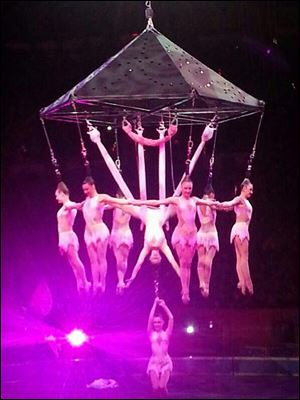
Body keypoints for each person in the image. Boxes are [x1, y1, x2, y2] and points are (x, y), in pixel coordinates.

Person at [125, 175, 216, 304]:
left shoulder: (195, 200)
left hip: (192, 235)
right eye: (185, 188)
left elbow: (212, 203)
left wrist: (227, 204)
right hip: (181, 235)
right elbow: (157, 203)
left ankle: (187, 290)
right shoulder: (176, 200)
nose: (187, 191)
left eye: (190, 188)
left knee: (188, 264)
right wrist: (139, 203)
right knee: (183, 263)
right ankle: (185, 291)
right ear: (182, 188)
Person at [98, 197, 181, 286]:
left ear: (149, 258)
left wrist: (132, 279)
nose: (155, 256)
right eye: (157, 258)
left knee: (123, 206)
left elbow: (139, 263)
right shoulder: (163, 246)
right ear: (161, 257)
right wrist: (182, 277)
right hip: (161, 215)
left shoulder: (147, 247)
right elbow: (173, 263)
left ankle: (103, 201)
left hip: (145, 215)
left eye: (153, 258)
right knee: (180, 206)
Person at [67, 176, 110, 295]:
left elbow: (115, 202)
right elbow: (77, 206)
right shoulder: (86, 201)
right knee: (93, 261)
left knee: (101, 259)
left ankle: (103, 282)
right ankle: (96, 284)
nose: (85, 192)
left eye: (87, 189)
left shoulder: (100, 198)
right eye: (84, 190)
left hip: (100, 231)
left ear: (93, 186)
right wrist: (68, 205)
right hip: (89, 234)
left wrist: (131, 202)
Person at [218, 178, 254, 295]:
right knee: (244, 257)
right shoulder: (240, 199)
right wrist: (217, 204)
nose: (251, 192)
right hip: (241, 228)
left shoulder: (243, 201)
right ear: (244, 188)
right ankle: (248, 283)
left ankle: (242, 283)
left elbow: (229, 207)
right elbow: (229, 204)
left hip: (239, 228)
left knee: (239, 257)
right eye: (250, 189)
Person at [55, 182, 90, 293]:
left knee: (75, 261)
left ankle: (85, 282)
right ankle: (79, 283)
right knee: (72, 263)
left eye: (57, 195)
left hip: (68, 236)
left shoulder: (68, 205)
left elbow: (75, 206)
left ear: (62, 193)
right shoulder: (66, 206)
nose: (56, 197)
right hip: (64, 237)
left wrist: (87, 201)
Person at [147, 297, 174, 396]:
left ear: (163, 323)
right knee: (155, 387)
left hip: (165, 362)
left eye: (159, 322)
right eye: (155, 322)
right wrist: (154, 303)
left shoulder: (167, 333)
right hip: (154, 363)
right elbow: (150, 319)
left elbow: (171, 318)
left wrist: (164, 305)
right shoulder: (150, 334)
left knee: (162, 387)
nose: (156, 324)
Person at [196, 184, 219, 298]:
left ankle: (203, 283)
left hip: (204, 234)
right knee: (206, 261)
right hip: (208, 234)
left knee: (203, 261)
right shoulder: (207, 203)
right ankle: (205, 285)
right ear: (208, 195)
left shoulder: (199, 203)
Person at [109, 190, 134, 294]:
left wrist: (120, 206)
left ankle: (121, 281)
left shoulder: (127, 206)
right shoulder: (116, 205)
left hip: (124, 235)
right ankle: (120, 281)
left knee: (122, 259)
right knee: (119, 260)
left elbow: (121, 220)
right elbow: (113, 221)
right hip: (115, 234)